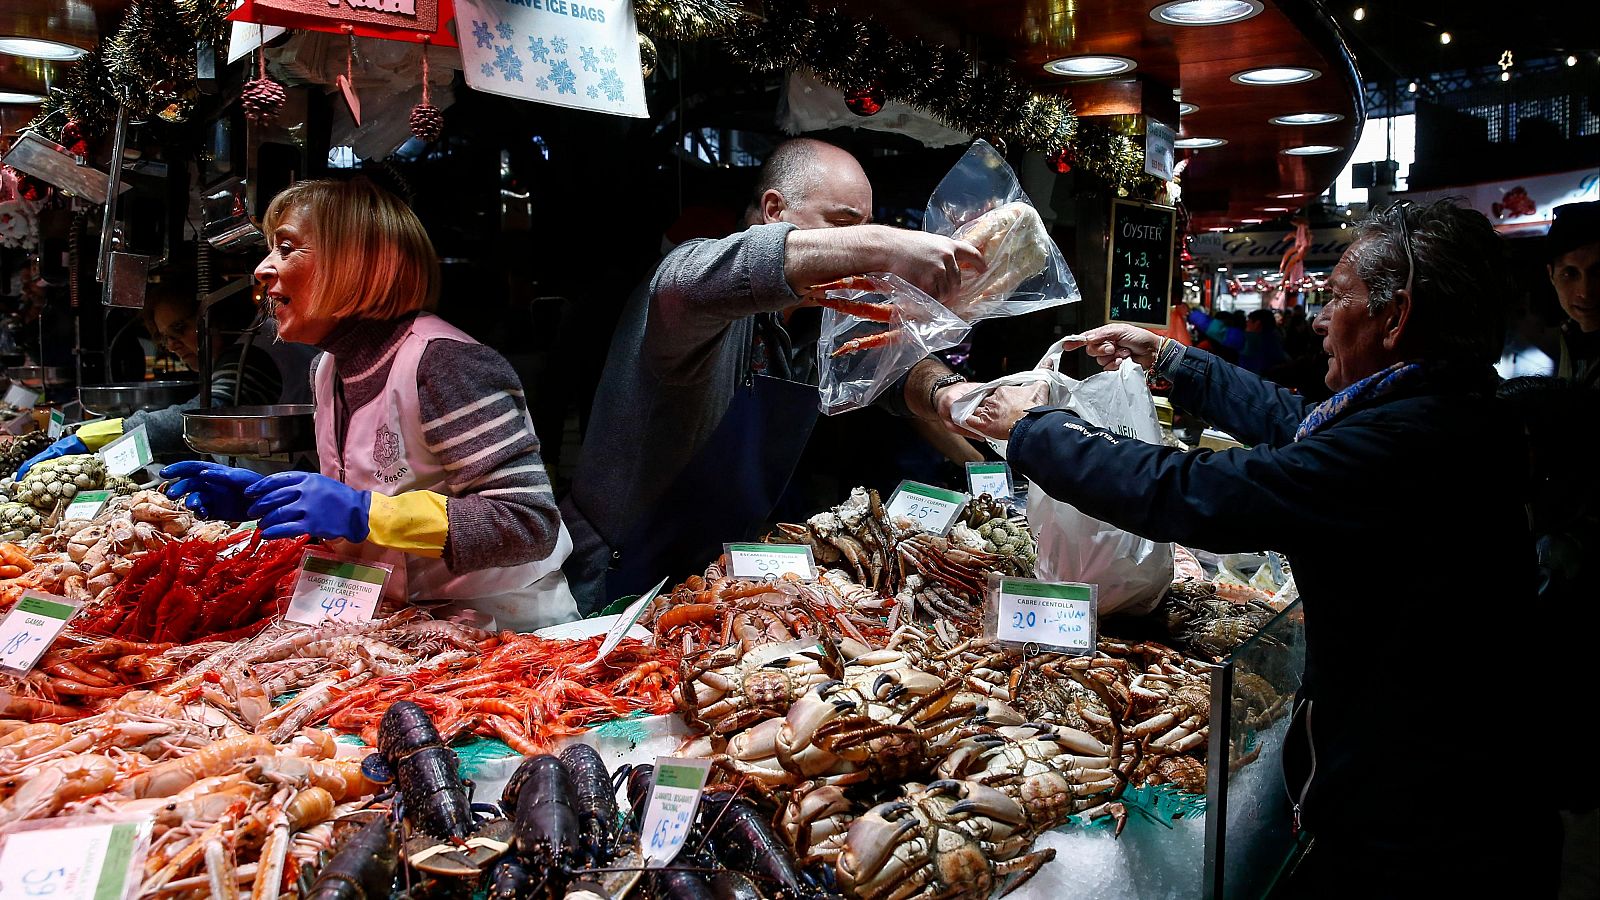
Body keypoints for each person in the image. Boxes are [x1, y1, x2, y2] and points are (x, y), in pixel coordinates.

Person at [955, 200, 1556, 895]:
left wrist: (1035, 430)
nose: (1320, 320)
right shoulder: (1443, 410)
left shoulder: (1412, 446)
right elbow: (1296, 423)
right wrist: (1172, 360)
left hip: (1429, 826)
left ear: (1395, 317)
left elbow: (1198, 493)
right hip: (1446, 785)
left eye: (1337, 299)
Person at [560, 138, 986, 613]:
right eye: (843, 225)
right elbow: (690, 279)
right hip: (617, 575)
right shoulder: (699, 285)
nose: (857, 245)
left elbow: (893, 367)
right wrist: (886, 245)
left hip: (719, 573)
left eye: (866, 227)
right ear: (773, 211)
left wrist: (948, 393)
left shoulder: (816, 318)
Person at [162, 177, 577, 630]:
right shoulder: (326, 369)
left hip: (505, 629)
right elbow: (371, 506)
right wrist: (270, 502)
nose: (262, 269)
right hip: (398, 623)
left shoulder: (444, 364)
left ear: (358, 263)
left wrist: (364, 512)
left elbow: (528, 523)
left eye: (287, 247)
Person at [16, 274, 316, 476]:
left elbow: (201, 416)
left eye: (179, 329)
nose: (172, 345)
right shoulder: (247, 343)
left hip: (294, 489)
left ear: (216, 316)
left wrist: (91, 437)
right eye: (165, 337)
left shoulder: (251, 354)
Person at [1547, 200, 1600, 387]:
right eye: (1570, 273)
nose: (1585, 292)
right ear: (1551, 275)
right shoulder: (1568, 336)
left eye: (1598, 272)